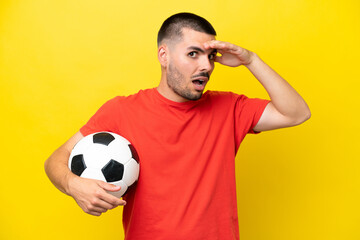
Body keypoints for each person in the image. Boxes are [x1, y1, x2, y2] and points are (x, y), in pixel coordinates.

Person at [45, 12, 310, 240]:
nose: (205, 66)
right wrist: (73, 184)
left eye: (211, 56)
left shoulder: (229, 108)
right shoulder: (122, 110)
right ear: (164, 55)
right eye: (193, 54)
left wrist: (251, 60)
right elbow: (56, 159)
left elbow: (296, 113)